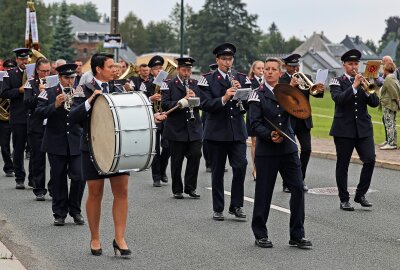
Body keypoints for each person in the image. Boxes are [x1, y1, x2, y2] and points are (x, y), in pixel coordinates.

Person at [69, 53, 131, 257]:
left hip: (118, 148)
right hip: (93, 147)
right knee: (95, 193)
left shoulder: (120, 88)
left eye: (116, 66)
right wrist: (89, 101)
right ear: (98, 70)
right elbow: (73, 117)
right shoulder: (83, 88)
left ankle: (120, 238)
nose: (116, 69)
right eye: (111, 66)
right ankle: (95, 238)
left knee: (121, 192)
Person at [248, 57, 312, 249]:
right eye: (266, 69)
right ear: (263, 72)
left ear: (279, 72)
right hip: (267, 150)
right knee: (263, 193)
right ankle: (260, 233)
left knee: (298, 189)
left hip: (288, 149)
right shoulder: (256, 94)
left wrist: (291, 94)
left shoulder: (287, 91)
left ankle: (297, 235)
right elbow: (254, 124)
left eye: (273, 69)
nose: (269, 72)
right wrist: (269, 135)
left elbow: (301, 113)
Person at [198, 42, 251, 221]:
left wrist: (241, 94)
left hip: (237, 131)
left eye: (230, 59)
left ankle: (236, 205)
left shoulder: (242, 78)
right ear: (217, 60)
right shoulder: (207, 79)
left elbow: (251, 102)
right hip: (216, 133)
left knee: (241, 166)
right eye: (224, 59)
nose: (228, 62)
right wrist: (225, 97)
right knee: (218, 171)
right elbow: (204, 105)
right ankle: (218, 208)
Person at [329, 49, 379, 211]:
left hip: (363, 129)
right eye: (350, 64)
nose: (354, 67)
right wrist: (354, 86)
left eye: (356, 64)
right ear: (343, 65)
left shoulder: (365, 80)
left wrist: (366, 89)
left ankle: (360, 194)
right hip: (343, 129)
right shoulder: (336, 81)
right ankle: (344, 199)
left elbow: (374, 103)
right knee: (343, 165)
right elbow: (339, 99)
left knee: (370, 159)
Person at [36, 63, 85, 226]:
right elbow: (38, 113)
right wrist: (55, 105)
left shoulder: (80, 93)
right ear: (59, 78)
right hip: (56, 142)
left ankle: (75, 210)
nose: (70, 81)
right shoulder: (48, 92)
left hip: (76, 142)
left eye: (73, 78)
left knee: (79, 176)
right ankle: (59, 213)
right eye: (67, 78)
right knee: (58, 179)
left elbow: (86, 114)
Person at [279, 53, 324, 192]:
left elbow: (316, 94)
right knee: (288, 152)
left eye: (297, 66)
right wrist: (291, 86)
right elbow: (282, 98)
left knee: (306, 149)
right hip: (289, 120)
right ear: (286, 66)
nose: (295, 68)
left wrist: (320, 89)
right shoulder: (282, 80)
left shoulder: (307, 78)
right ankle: (287, 182)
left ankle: (300, 179)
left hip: (304, 120)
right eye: (292, 66)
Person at [161, 57, 203, 199]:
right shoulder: (169, 84)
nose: (187, 73)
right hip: (176, 129)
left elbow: (203, 103)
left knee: (196, 155)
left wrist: (195, 97)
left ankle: (190, 187)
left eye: (189, 70)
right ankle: (177, 188)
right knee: (177, 160)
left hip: (193, 129)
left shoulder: (195, 84)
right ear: (178, 70)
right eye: (184, 70)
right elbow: (165, 105)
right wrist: (183, 101)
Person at [0, 48, 31, 189]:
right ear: (17, 60)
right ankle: (19, 177)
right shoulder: (10, 74)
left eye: (27, 59)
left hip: (34, 117)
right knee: (18, 149)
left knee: (36, 150)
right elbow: (5, 93)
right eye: (23, 59)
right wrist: (19, 90)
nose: (25, 62)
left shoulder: (34, 73)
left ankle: (35, 178)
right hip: (18, 117)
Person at [23, 57, 52, 200]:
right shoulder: (30, 83)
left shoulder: (55, 81)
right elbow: (27, 103)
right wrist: (40, 93)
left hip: (53, 125)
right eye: (43, 71)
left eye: (48, 70)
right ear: (37, 70)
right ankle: (39, 189)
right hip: (36, 125)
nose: (46, 74)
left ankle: (54, 188)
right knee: (38, 158)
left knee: (56, 160)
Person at [140, 55, 170, 187]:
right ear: (151, 71)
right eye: (156, 69)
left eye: (160, 68)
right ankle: (156, 176)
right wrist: (150, 98)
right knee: (155, 148)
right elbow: (139, 100)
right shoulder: (145, 84)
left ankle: (163, 169)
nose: (159, 71)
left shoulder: (168, 83)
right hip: (153, 118)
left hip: (167, 117)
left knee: (168, 147)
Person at [247, 60, 264, 181]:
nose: (261, 71)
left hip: (266, 115)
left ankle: (264, 167)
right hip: (253, 113)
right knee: (255, 142)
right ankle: (256, 169)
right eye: (259, 68)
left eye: (263, 68)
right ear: (253, 70)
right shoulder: (249, 82)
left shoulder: (268, 81)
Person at [0, 59, 17, 178]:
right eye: (7, 68)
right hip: (3, 118)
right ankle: (8, 167)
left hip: (17, 117)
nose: (9, 70)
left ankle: (17, 165)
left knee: (18, 144)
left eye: (11, 68)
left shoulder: (18, 80)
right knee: (4, 144)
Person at [378, 62, 400, 150]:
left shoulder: (388, 78)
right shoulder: (394, 77)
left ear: (385, 69)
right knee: (392, 123)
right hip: (392, 104)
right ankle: (392, 142)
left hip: (389, 104)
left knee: (389, 123)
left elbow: (393, 92)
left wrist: (398, 101)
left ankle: (391, 143)